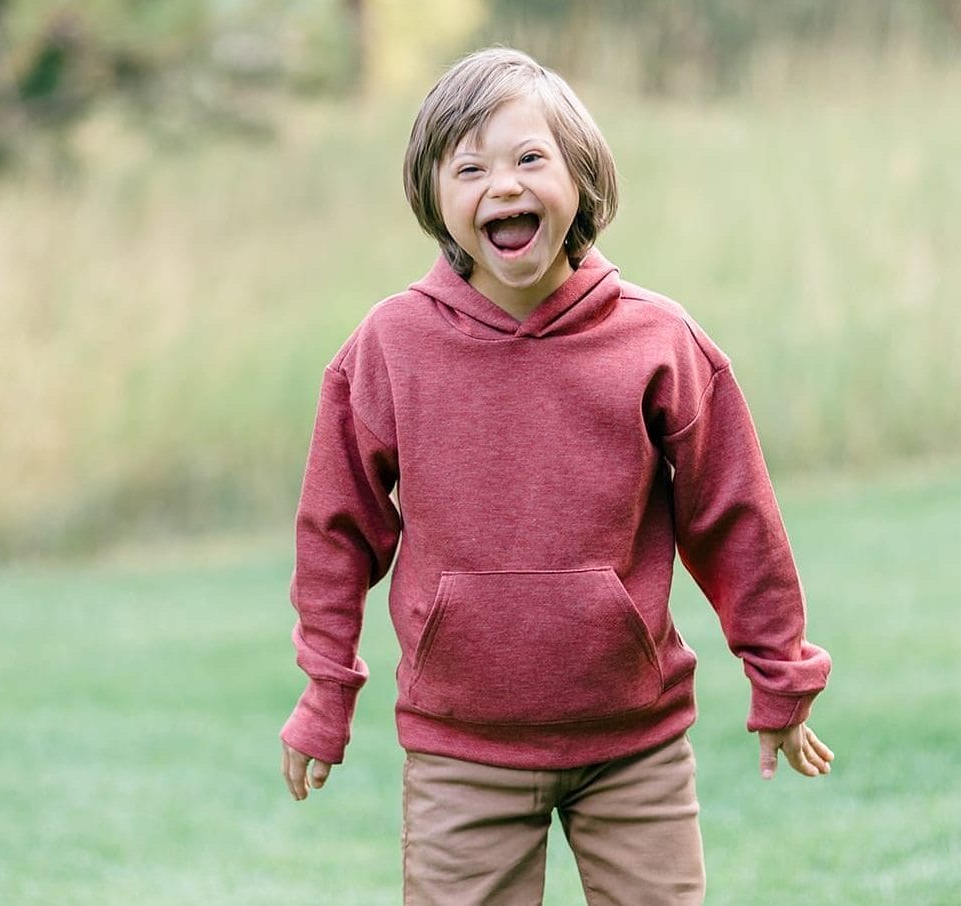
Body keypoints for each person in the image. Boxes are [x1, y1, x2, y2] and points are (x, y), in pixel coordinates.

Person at [279, 46, 834, 905]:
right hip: (460, 753)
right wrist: (326, 690)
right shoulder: (389, 348)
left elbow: (734, 517)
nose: (502, 185)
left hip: (635, 749)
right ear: (433, 197)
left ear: (581, 177)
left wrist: (781, 672)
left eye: (529, 158)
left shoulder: (657, 342)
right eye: (469, 167)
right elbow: (335, 530)